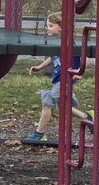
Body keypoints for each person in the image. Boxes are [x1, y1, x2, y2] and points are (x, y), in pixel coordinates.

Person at [22, 13, 93, 142]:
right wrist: (39, 67)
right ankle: (86, 116)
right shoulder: (56, 42)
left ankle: (40, 133)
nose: (47, 28)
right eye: (47, 26)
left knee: (47, 102)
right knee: (63, 108)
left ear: (61, 27)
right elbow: (53, 57)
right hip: (58, 79)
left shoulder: (70, 42)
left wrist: (79, 72)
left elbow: (85, 57)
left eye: (50, 25)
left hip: (66, 79)